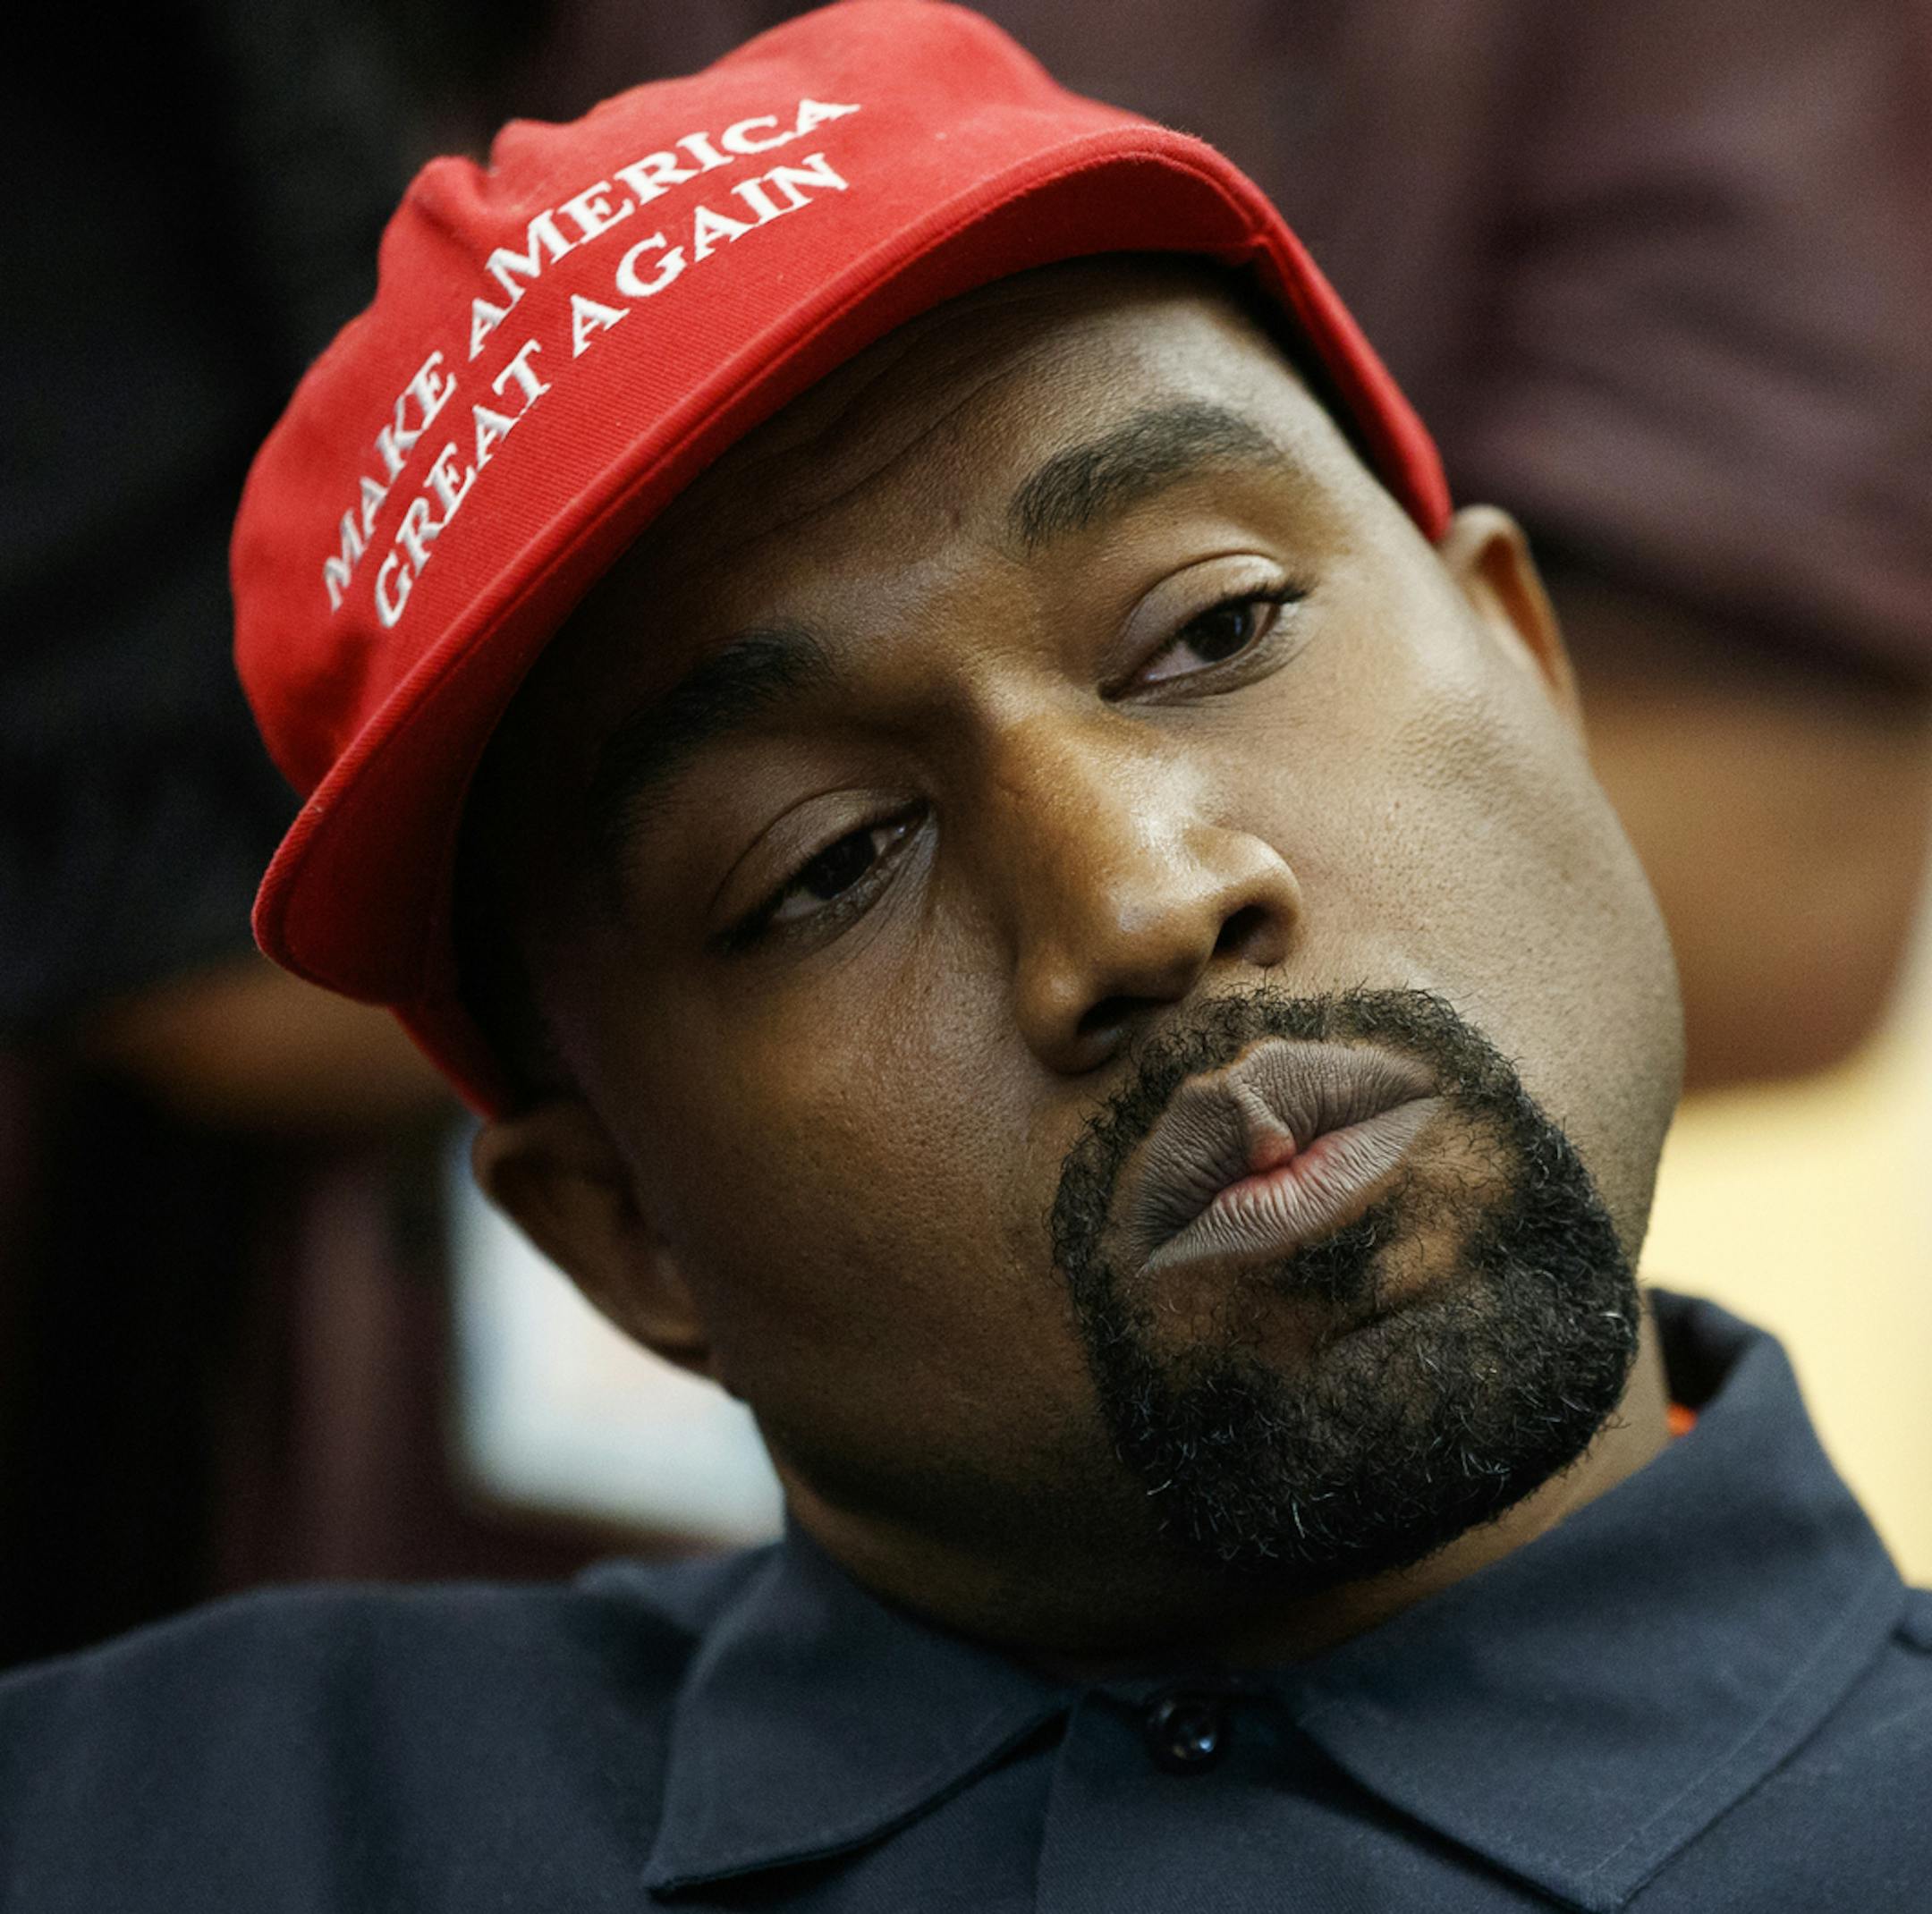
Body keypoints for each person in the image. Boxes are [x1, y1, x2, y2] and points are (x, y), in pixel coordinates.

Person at [2, 4, 1926, 1907]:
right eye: (827, 862)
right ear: (620, 1232)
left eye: (1217, 628)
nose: (1142, 903)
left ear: (1522, 651)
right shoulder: (161, 1828)